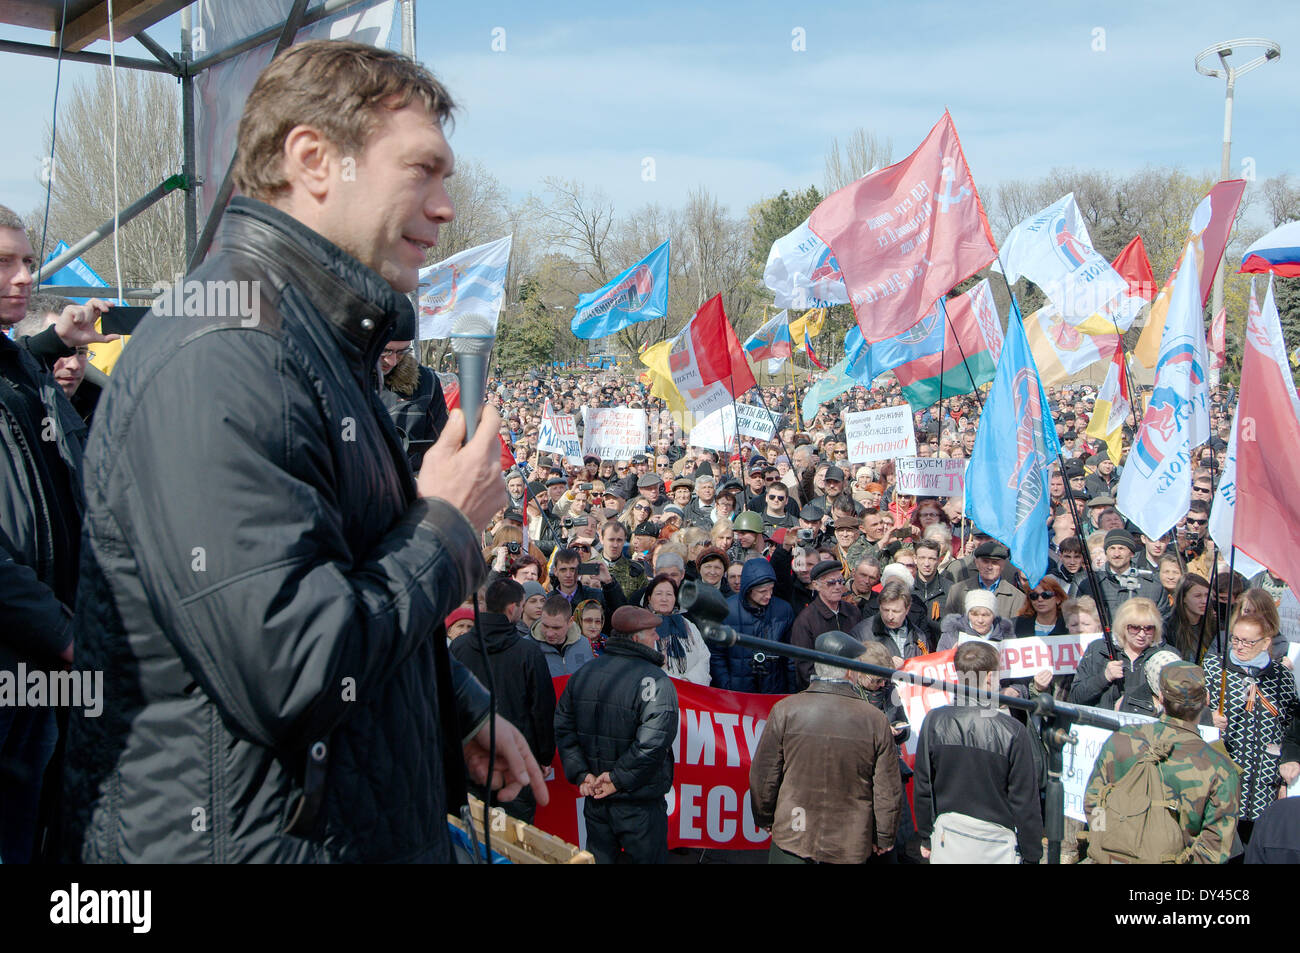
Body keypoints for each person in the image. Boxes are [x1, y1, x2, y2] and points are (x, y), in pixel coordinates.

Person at [62, 42, 547, 863]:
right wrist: (448, 528)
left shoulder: (314, 344)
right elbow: (293, 664)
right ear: (314, 159)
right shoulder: (225, 353)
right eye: (421, 171)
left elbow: (343, 567)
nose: (445, 208)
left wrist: (451, 703)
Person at [0, 209, 111, 864]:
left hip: (40, 664)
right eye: (3, 263)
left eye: (26, 260)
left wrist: (53, 340)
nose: (22, 275)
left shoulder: (22, 361)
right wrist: (60, 632)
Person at [750, 631, 901, 864]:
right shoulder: (874, 720)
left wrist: (765, 818)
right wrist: (883, 837)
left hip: (793, 836)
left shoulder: (786, 710)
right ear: (851, 671)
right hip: (847, 842)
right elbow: (887, 790)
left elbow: (763, 775)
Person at [554, 605, 679, 864]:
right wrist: (615, 779)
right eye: (651, 632)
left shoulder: (583, 674)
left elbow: (564, 728)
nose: (657, 637)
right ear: (636, 638)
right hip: (639, 803)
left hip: (597, 798)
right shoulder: (655, 681)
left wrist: (584, 774)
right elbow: (654, 743)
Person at [1085, 662, 1240, 864]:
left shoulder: (1121, 739)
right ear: (1205, 701)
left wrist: (1104, 839)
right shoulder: (1220, 767)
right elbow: (1215, 848)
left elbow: (1094, 801)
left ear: (1160, 697)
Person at [913, 641, 1043, 864]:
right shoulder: (1012, 730)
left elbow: (923, 786)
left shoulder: (934, 721)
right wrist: (1033, 855)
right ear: (991, 677)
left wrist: (926, 836)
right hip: (990, 843)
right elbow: (1025, 801)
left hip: (954, 839)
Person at [449, 580, 555, 823]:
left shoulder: (458, 648)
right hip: (509, 763)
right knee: (515, 842)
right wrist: (543, 757)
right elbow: (542, 710)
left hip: (472, 761)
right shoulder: (528, 653)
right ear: (513, 608)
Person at [1203, 613, 1300, 843]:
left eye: (1248, 642)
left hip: (1265, 783)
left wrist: (1288, 769)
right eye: (1236, 639)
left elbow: (1292, 729)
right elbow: (1189, 713)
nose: (1240, 646)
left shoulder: (1282, 676)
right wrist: (1207, 718)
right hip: (1224, 779)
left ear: (1266, 643)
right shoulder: (1215, 668)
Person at [379, 297, 448, 475]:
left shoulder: (426, 383)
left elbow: (441, 447)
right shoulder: (341, 380)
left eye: (401, 352)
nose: (392, 361)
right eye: (385, 351)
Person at [1070, 597, 1166, 716]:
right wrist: (1104, 677)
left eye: (1148, 628)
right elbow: (1075, 697)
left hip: (1147, 730)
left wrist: (1151, 704)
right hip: (1103, 727)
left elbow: (1180, 705)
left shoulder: (1165, 656)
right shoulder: (1098, 650)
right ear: (1123, 626)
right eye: (1135, 628)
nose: (1142, 634)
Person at [713, 557, 794, 693]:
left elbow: (791, 656)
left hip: (775, 690)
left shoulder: (783, 610)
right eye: (763, 592)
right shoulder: (726, 610)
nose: (768, 595)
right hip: (737, 693)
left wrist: (791, 691)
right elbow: (716, 655)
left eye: (771, 589)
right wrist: (726, 686)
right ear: (749, 589)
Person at [790, 560, 862, 690]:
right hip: (822, 693)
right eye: (831, 583)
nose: (838, 586)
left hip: (854, 688)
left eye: (840, 581)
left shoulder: (852, 612)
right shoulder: (805, 621)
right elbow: (805, 668)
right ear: (816, 585)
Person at [1079, 529, 1170, 624]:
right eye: (1112, 548)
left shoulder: (1153, 586)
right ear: (1106, 552)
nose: (1116, 554)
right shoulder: (1091, 585)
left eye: (1121, 548)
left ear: (1132, 553)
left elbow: (1163, 623)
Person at [642, 574, 711, 685]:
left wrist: (688, 680)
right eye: (659, 594)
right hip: (658, 689)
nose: (664, 599)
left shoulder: (688, 625)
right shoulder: (642, 626)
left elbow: (704, 656)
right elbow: (643, 663)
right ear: (649, 598)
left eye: (669, 594)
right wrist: (675, 682)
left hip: (690, 689)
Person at [851, 579, 930, 666]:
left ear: (907, 609)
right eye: (886, 610)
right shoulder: (861, 633)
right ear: (880, 606)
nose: (890, 617)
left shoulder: (919, 636)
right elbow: (853, 670)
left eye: (896, 611)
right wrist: (885, 665)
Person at [944, 541, 1027, 619]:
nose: (989, 567)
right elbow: (949, 627)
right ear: (976, 563)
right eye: (985, 562)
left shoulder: (1017, 597)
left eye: (995, 562)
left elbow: (1016, 631)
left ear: (1002, 565)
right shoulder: (957, 591)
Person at [532, 592, 596, 676]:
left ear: (570, 622)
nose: (549, 633)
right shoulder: (528, 646)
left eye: (556, 628)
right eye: (545, 626)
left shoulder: (584, 644)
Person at [938, 589, 1014, 650]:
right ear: (968, 614)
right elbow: (940, 663)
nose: (980, 620)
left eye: (985, 615)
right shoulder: (952, 636)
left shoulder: (1007, 637)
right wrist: (951, 655)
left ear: (994, 616)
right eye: (974, 614)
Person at [1167, 573, 1216, 663]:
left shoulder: (1213, 625)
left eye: (1207, 595)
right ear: (1183, 598)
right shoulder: (1168, 627)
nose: (1204, 601)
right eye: (1198, 596)